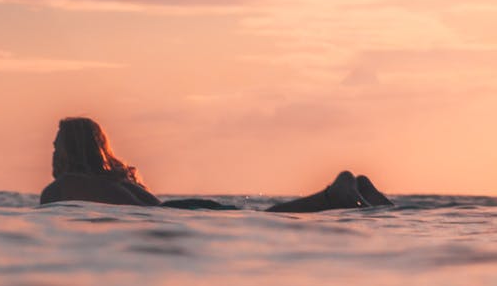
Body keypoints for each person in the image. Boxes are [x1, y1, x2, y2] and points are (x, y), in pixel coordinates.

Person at [39, 117, 393, 211]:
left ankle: (333, 196)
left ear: (69, 150)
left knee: (273, 217)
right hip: (183, 208)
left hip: (178, 215)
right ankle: (356, 194)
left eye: (55, 145)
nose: (51, 151)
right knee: (269, 215)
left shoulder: (61, 189)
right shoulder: (117, 182)